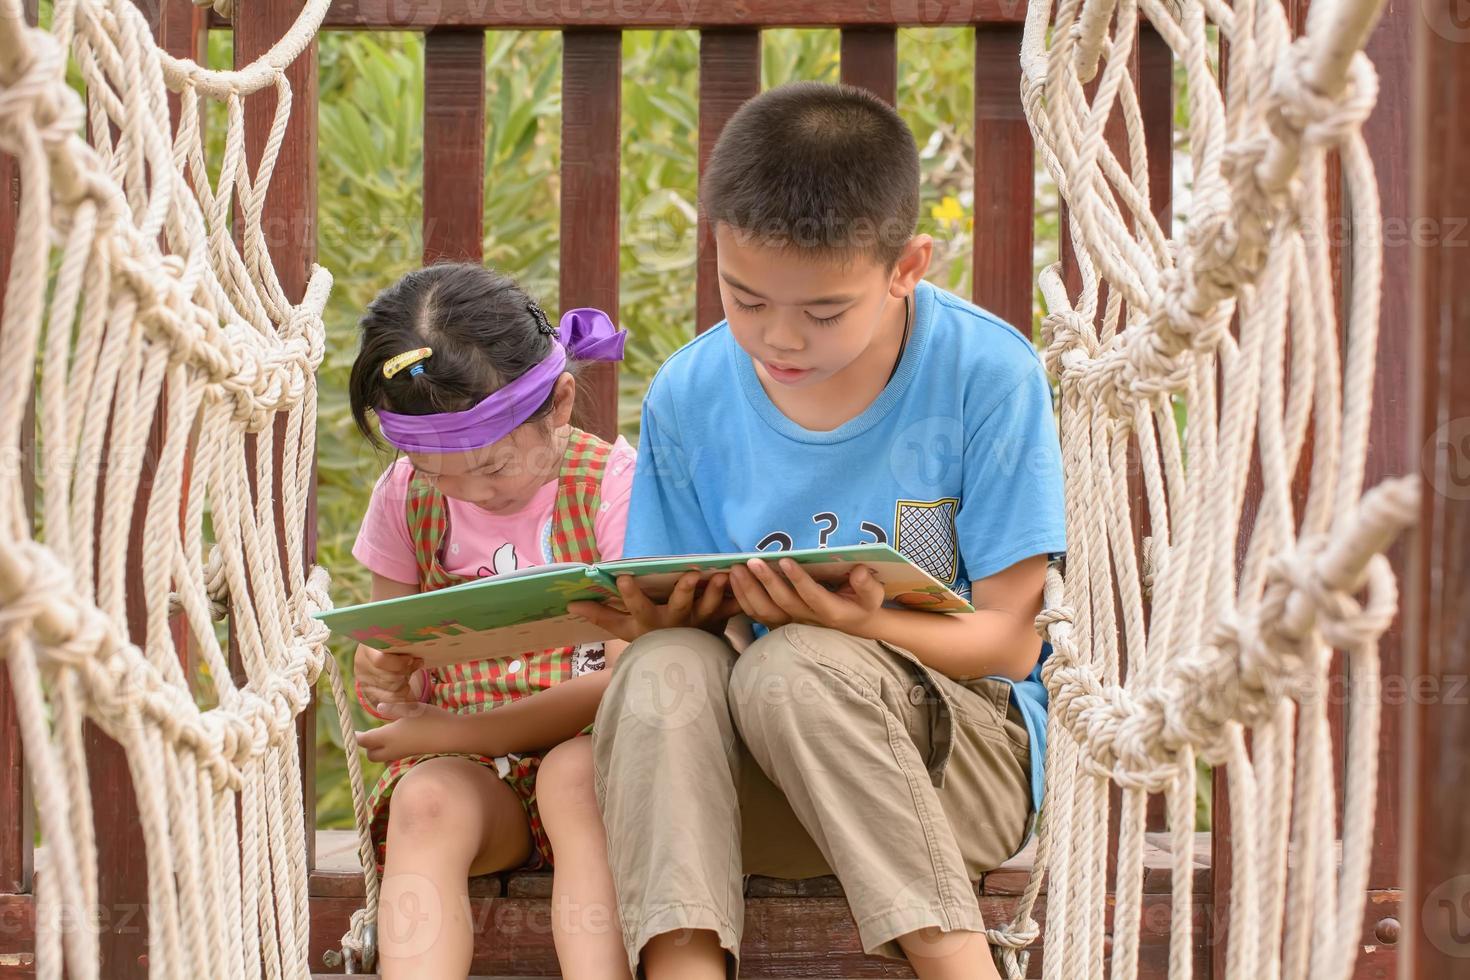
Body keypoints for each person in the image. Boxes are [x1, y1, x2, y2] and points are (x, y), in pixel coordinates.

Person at [555, 81, 1066, 980]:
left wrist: (858, 625)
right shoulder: (692, 391)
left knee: (795, 665)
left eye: (822, 311)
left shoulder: (986, 373)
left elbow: (1012, 645)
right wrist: (657, 619)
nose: (775, 338)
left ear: (908, 266)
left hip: (954, 776)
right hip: (755, 790)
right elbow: (679, 631)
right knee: (665, 667)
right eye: (744, 299)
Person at [345, 262, 637, 978]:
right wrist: (385, 676)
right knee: (427, 800)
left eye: (497, 466)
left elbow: (631, 680)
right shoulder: (405, 497)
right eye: (440, 472)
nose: (473, 492)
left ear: (560, 403)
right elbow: (395, 652)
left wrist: (456, 730)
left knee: (574, 779)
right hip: (477, 778)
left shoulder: (613, 488)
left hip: (593, 754)